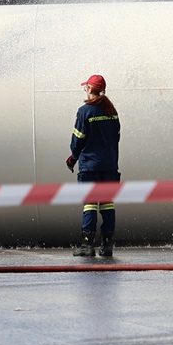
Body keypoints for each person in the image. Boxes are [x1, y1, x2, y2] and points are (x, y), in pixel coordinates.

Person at [66, 74, 121, 257]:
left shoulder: (85, 111)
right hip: (110, 165)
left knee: (90, 204)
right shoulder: (111, 111)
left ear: (90, 89)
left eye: (86, 88)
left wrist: (73, 157)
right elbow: (116, 136)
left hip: (90, 166)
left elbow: (78, 139)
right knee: (107, 205)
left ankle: (87, 246)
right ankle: (107, 246)